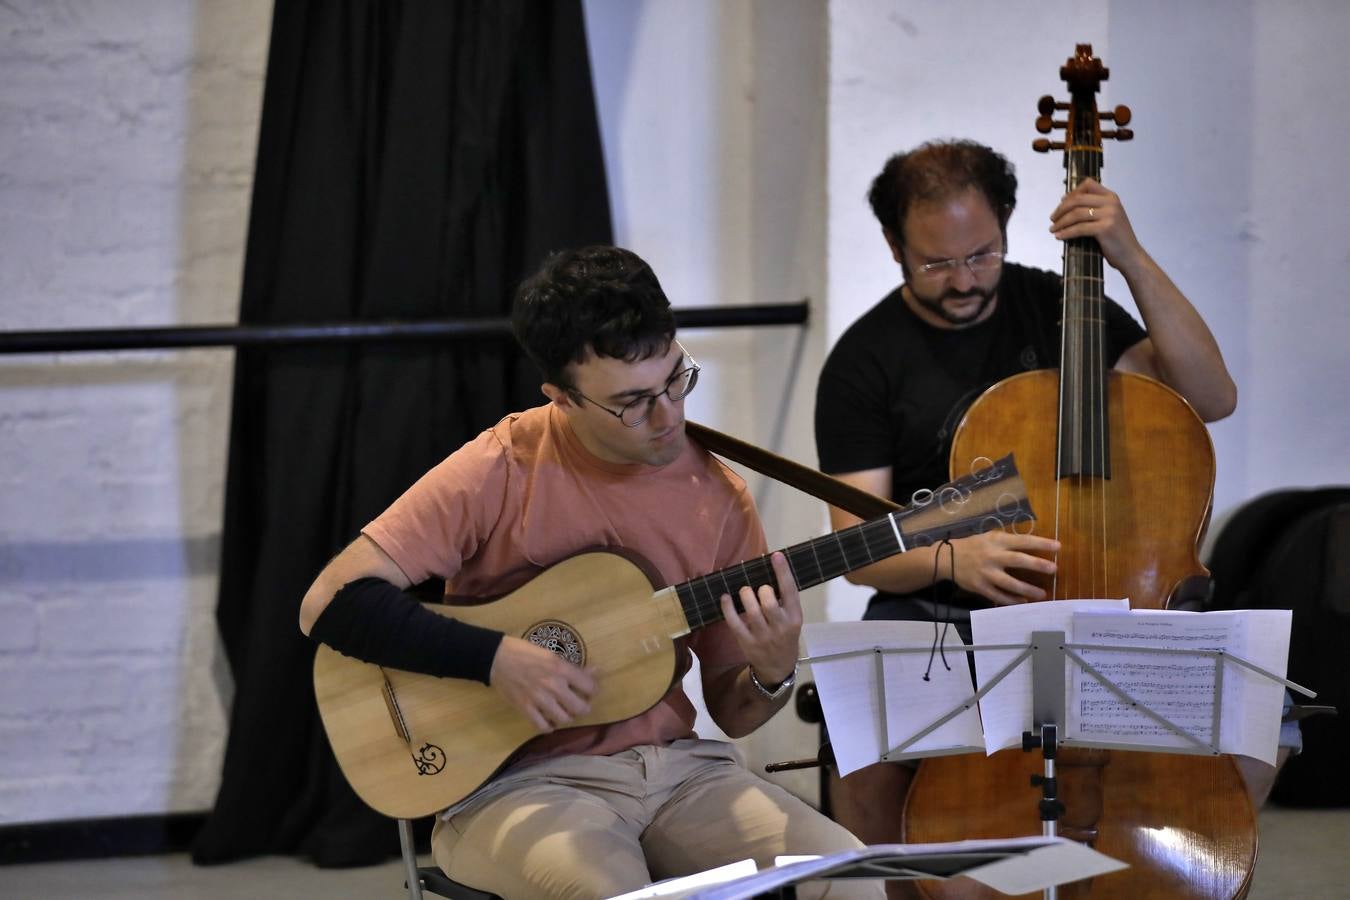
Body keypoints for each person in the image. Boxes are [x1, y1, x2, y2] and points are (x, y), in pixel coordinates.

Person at [300, 245, 881, 900]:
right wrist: (494, 659)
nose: (668, 417)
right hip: (516, 787)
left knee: (852, 877)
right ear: (561, 396)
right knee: (608, 892)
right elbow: (328, 601)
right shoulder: (501, 466)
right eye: (631, 402)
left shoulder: (719, 494)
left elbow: (734, 708)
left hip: (681, 776)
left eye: (675, 380)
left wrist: (773, 673)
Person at [813, 140, 1293, 872]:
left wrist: (1127, 254)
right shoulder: (863, 360)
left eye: (981, 255)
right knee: (861, 743)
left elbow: (1212, 398)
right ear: (892, 245)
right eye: (935, 263)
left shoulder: (1067, 307)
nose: (963, 280)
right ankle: (918, 892)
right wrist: (956, 555)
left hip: (1110, 599)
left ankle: (1160, 874)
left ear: (1006, 228)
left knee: (1266, 719)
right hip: (945, 613)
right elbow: (860, 552)